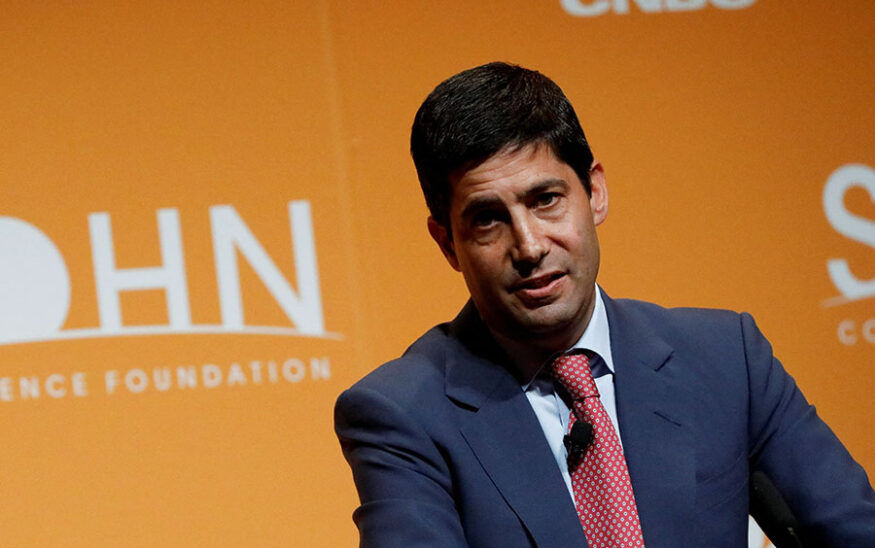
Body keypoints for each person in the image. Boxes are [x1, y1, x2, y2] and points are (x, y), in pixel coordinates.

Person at [334, 62, 875, 547]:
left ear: (594, 193)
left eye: (545, 200)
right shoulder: (401, 415)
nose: (529, 245)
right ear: (447, 242)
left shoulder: (726, 359)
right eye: (487, 219)